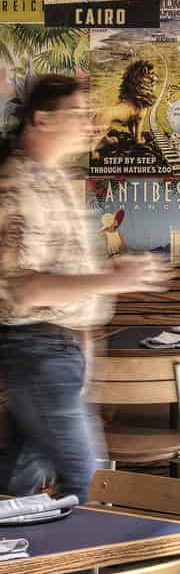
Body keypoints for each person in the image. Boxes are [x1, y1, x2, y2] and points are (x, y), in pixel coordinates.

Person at [0, 75, 170, 500]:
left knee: (18, 484)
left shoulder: (61, 180)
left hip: (60, 352)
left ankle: (22, 564)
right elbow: (25, 291)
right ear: (41, 120)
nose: (88, 121)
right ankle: (80, 566)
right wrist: (111, 280)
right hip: (36, 350)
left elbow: (68, 281)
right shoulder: (15, 187)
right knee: (87, 480)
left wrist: (86, 353)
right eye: (76, 112)